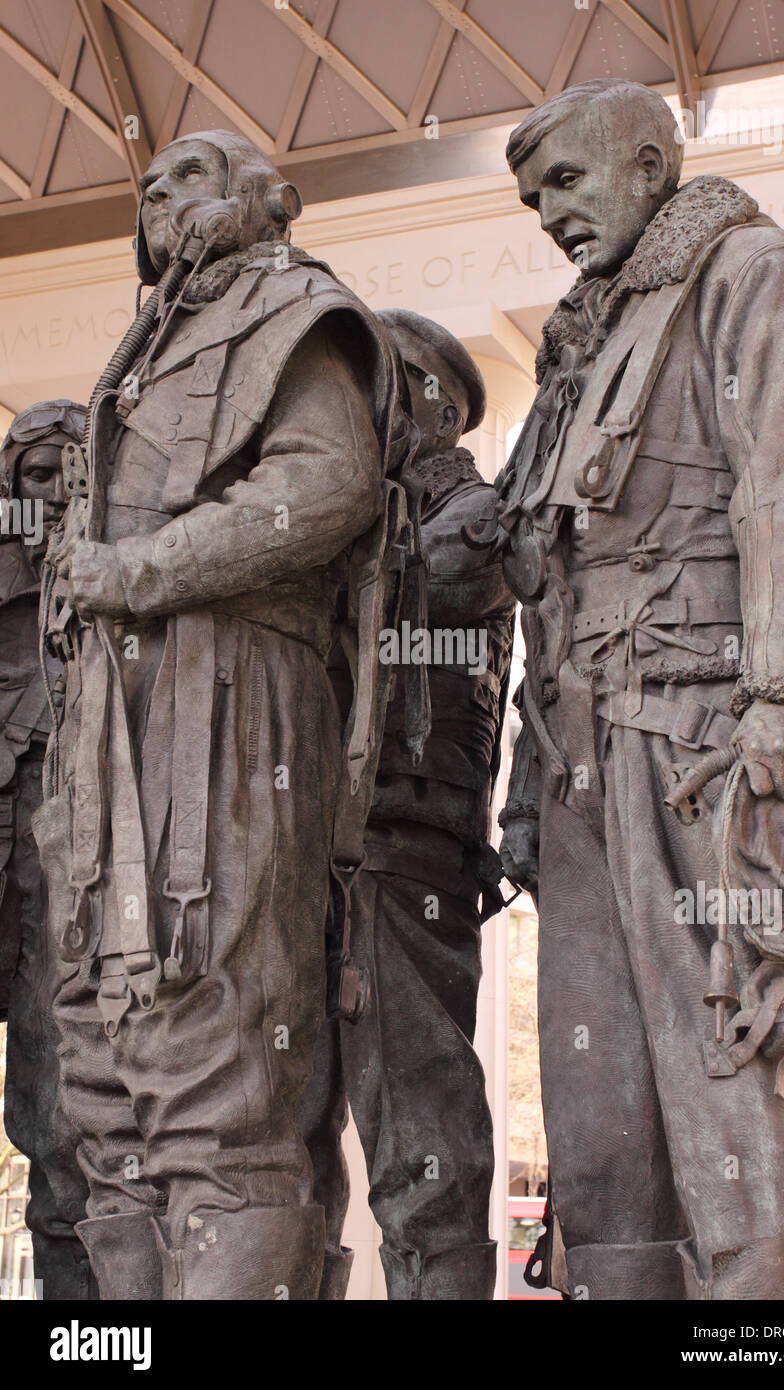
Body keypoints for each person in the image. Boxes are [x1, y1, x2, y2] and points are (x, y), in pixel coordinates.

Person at [497, 79, 784, 1299]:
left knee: (739, 1093)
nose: (548, 212)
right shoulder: (572, 353)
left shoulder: (758, 271)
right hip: (582, 767)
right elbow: (538, 577)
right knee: (602, 1126)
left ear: (651, 160)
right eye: (530, 194)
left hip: (717, 750)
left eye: (566, 180)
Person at [37, 131, 408, 1300]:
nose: (159, 198)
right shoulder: (144, 352)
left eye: (192, 176)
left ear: (275, 201)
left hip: (230, 701)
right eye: (149, 187)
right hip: (115, 723)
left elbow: (324, 487)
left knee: (219, 1069)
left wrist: (137, 572)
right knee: (105, 1081)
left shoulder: (296, 312)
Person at [299, 310, 514, 1300]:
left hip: (404, 861)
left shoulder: (471, 514)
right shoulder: (353, 517)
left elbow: (391, 601)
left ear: (435, 400)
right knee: (284, 1144)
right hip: (312, 854)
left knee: (422, 1141)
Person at [0, 400, 96, 1299]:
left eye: (73, 474)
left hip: (61, 882)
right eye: (37, 475)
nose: (54, 495)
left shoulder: (110, 586)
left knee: (58, 1116)